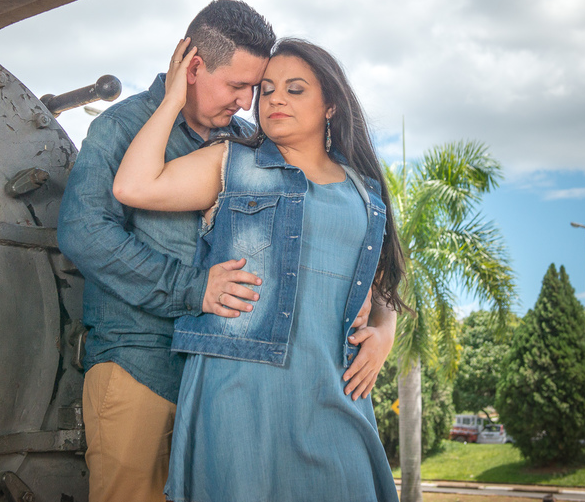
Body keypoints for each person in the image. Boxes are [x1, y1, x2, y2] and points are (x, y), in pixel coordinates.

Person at [113, 36, 404, 502]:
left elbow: (383, 279)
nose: (275, 100)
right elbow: (134, 186)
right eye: (266, 90)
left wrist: (386, 331)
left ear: (331, 105)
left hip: (337, 387)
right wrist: (173, 99)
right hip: (238, 388)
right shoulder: (232, 163)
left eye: (295, 89)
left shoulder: (365, 191)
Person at [57, 0, 278, 502]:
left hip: (221, 376)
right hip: (139, 366)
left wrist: (379, 319)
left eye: (254, 88)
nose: (247, 103)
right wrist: (193, 289)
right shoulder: (121, 126)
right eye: (237, 85)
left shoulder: (247, 144)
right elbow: (83, 231)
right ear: (193, 68)